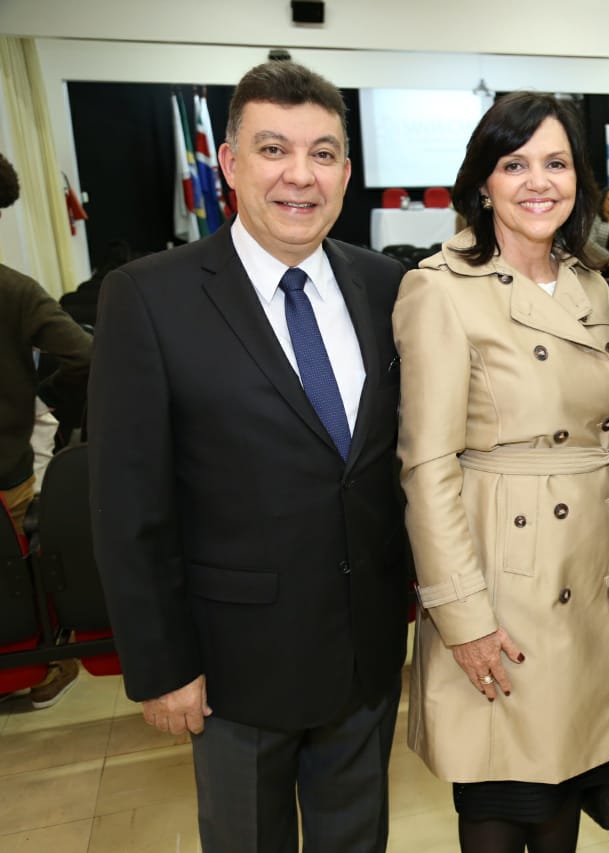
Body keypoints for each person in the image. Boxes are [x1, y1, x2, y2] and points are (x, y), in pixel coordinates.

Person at [89, 61, 408, 853]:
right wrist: (161, 665)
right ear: (230, 163)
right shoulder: (150, 297)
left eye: (324, 153)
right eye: (274, 149)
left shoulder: (387, 286)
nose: (301, 176)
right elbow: (129, 502)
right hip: (234, 671)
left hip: (363, 660)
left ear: (346, 169)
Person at [394, 91, 609, 853]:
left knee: (562, 793)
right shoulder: (440, 286)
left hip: (587, 582)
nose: (539, 181)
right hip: (500, 586)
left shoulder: (590, 283)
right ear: (484, 182)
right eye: (515, 163)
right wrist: (461, 614)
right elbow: (426, 466)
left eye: (556, 162)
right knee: (503, 802)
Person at [0, 150, 91, 709]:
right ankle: (41, 670)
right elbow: (86, 354)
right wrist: (45, 395)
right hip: (6, 474)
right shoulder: (14, 290)